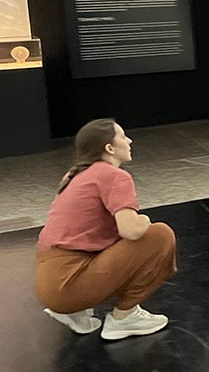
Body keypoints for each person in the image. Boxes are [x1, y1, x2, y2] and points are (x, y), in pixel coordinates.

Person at [35, 118, 176, 340]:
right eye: (123, 136)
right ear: (109, 148)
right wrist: (144, 220)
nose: (129, 141)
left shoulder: (74, 175)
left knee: (113, 240)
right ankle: (125, 318)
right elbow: (131, 231)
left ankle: (76, 312)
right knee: (160, 236)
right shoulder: (114, 175)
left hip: (51, 284)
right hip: (69, 284)